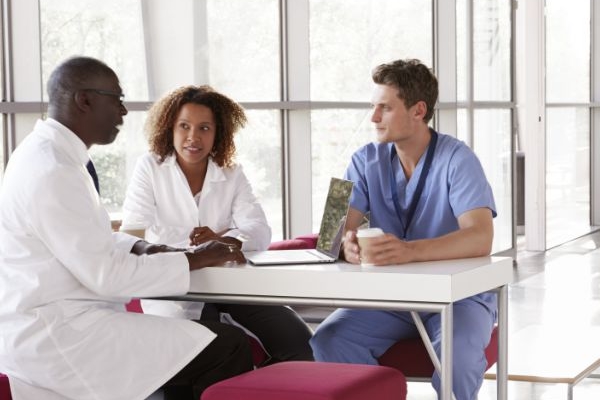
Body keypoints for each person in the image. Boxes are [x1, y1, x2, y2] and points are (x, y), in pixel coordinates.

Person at [0, 56, 254, 400]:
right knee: (227, 345)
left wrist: (140, 246)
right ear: (84, 100)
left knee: (208, 343)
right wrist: (197, 257)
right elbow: (106, 276)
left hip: (62, 320)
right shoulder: (53, 169)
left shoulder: (47, 154)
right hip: (59, 334)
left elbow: (82, 239)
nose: (123, 111)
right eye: (116, 99)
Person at [309, 59, 497, 400]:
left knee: (457, 357)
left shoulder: (460, 159)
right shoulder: (362, 159)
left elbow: (481, 237)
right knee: (329, 339)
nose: (373, 118)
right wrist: (345, 246)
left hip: (458, 297)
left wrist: (409, 251)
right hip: (390, 298)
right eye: (373, 107)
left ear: (418, 110)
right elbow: (329, 234)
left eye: (385, 107)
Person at [121, 85, 314, 364]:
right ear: (169, 128)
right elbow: (134, 234)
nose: (193, 137)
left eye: (204, 128)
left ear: (217, 133)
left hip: (231, 286)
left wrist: (226, 240)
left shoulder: (231, 172)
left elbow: (259, 229)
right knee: (216, 350)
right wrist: (203, 249)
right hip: (177, 290)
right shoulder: (150, 167)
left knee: (298, 341)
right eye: (184, 126)